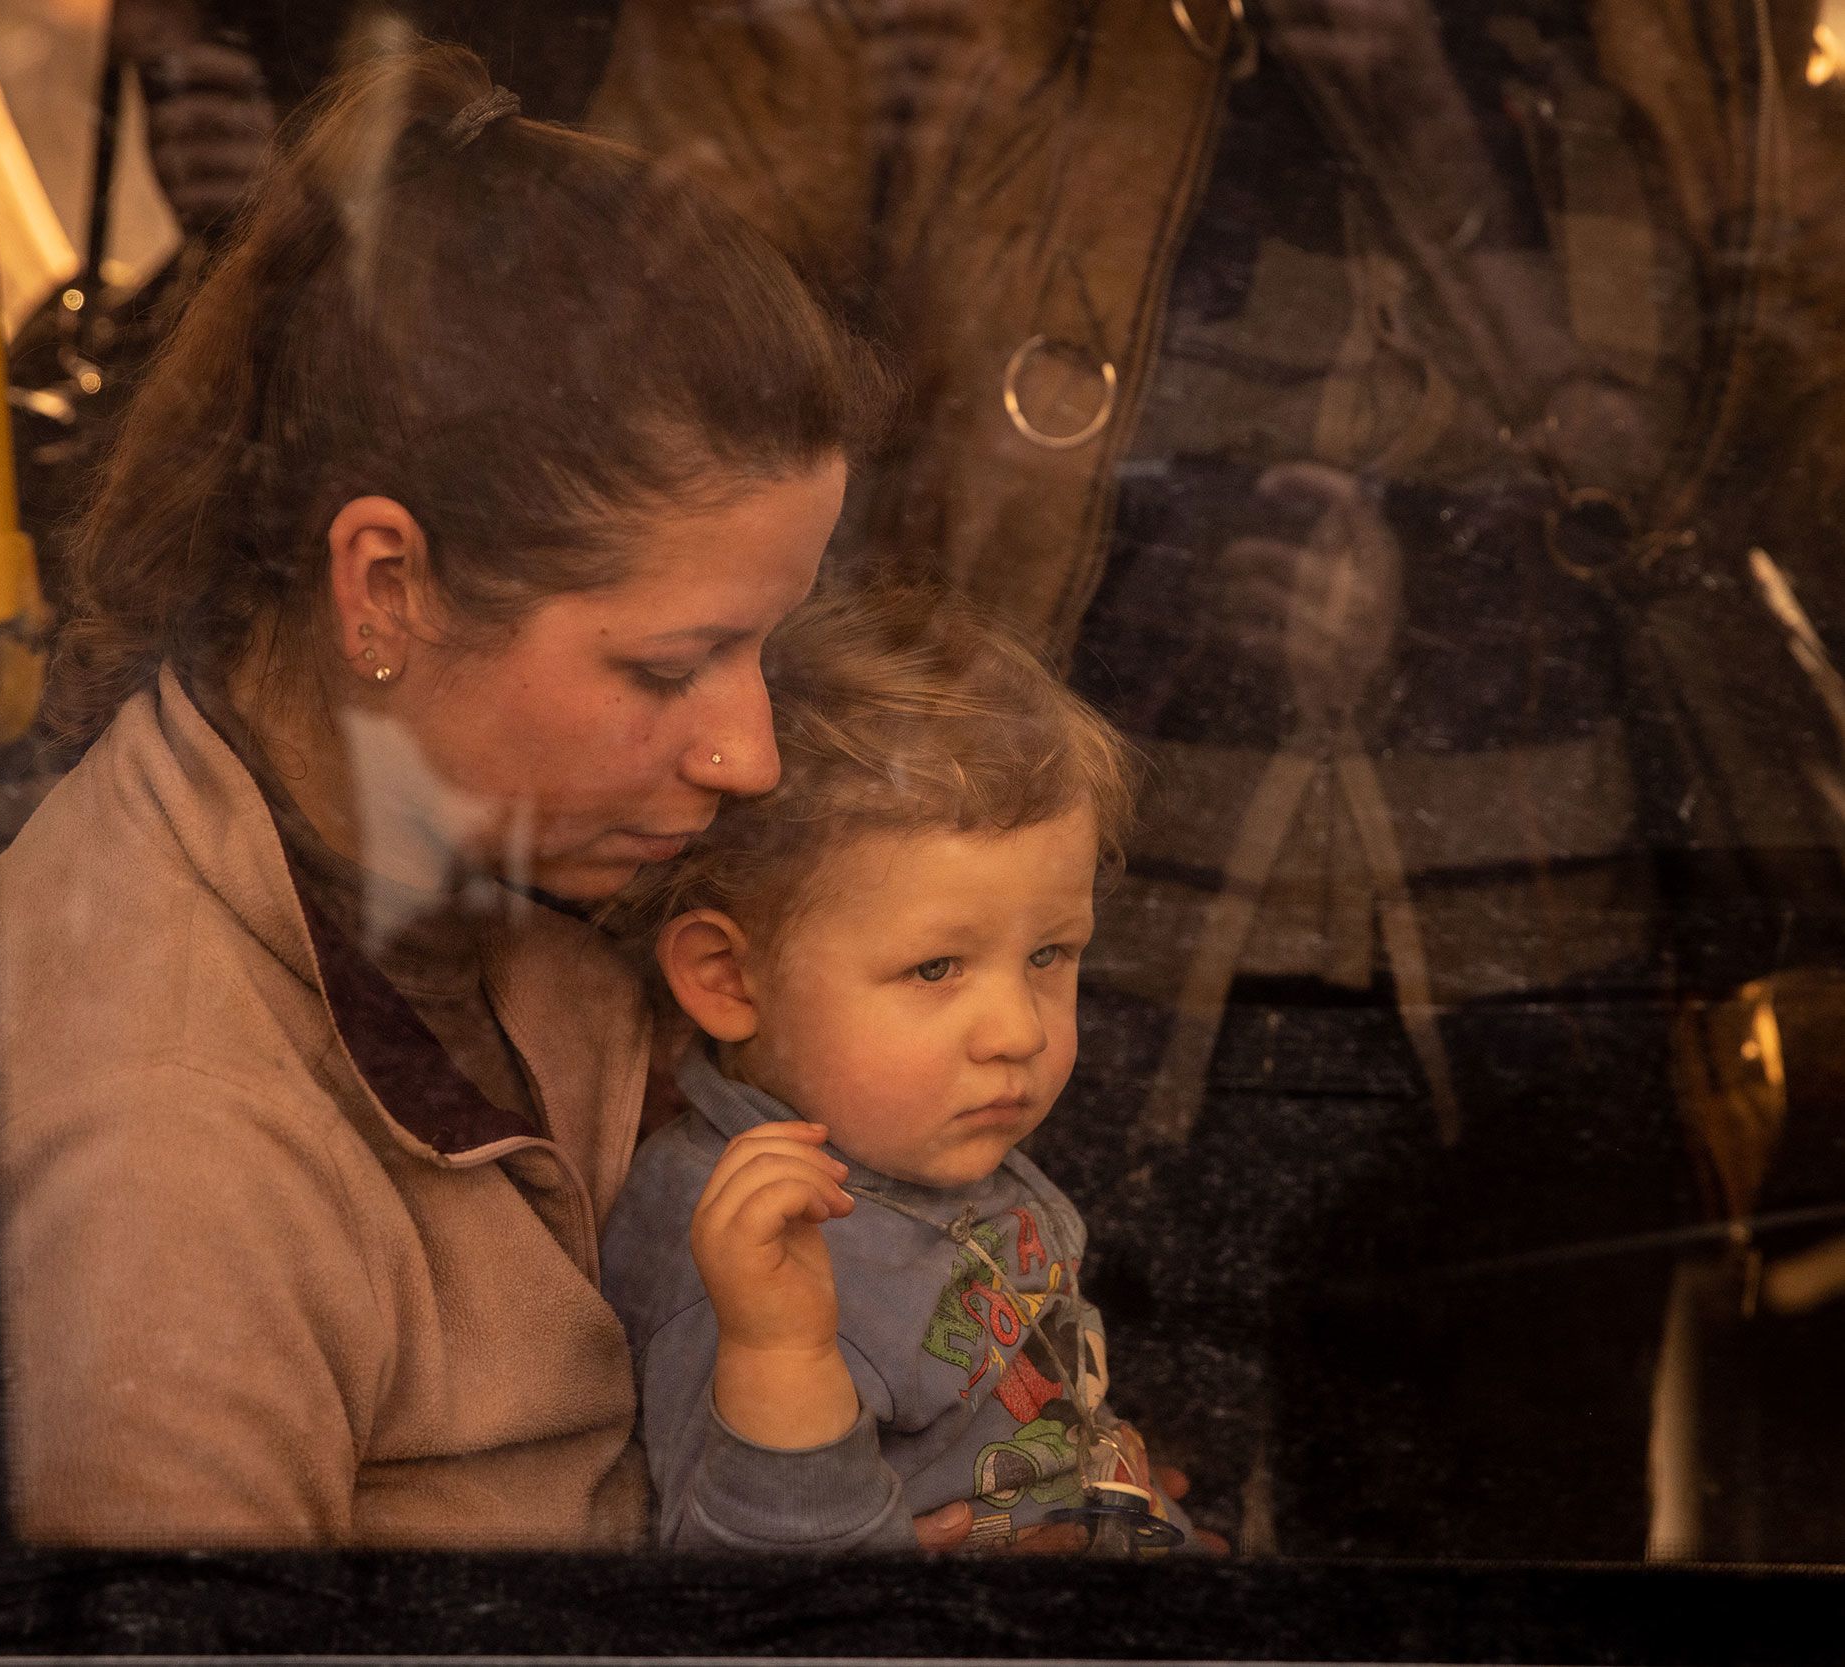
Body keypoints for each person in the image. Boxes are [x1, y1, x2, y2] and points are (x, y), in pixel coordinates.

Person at [588, 0, 1829, 1557]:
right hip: (1064, 926)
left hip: (1543, 965)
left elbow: (1787, 398)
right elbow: (658, 389)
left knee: (1506, 1550)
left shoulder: (1671, 34)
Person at [0, 45, 897, 1547]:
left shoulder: (494, 871)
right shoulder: (160, 1165)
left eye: (766, 650)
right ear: (386, 586)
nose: (755, 753)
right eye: (674, 665)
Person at [601, 587, 1205, 1554]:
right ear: (727, 978)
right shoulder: (743, 1262)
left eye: (1050, 955)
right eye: (936, 967)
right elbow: (751, 1600)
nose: (1017, 1029)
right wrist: (780, 1354)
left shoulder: (921, 1149)